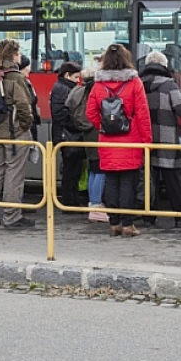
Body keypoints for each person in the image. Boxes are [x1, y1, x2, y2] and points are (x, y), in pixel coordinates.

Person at [86, 43, 152, 237]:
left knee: (111, 181)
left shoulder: (98, 84)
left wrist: (103, 126)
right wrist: (147, 141)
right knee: (128, 183)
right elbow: (142, 113)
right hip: (130, 139)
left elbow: (90, 112)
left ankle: (114, 223)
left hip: (107, 140)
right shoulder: (134, 83)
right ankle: (128, 224)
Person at [0, 39, 36, 229]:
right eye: (19, 54)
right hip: (15, 133)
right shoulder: (15, 77)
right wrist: (26, 126)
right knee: (14, 173)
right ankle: (11, 216)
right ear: (13, 55)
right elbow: (24, 106)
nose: (20, 57)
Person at [139, 50, 181, 228]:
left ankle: (149, 217)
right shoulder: (169, 84)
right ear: (164, 65)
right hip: (167, 138)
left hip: (145, 138)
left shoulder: (139, 84)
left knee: (150, 179)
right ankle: (179, 216)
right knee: (172, 179)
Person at [65, 66, 106, 222]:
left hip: (86, 133)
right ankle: (96, 205)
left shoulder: (77, 91)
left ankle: (92, 202)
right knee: (100, 170)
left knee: (93, 169)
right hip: (96, 132)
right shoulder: (93, 92)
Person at [48, 61, 83, 207]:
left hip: (67, 133)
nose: (77, 81)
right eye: (75, 77)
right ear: (67, 75)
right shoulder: (62, 89)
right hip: (67, 134)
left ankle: (72, 200)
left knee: (73, 169)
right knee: (71, 170)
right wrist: (76, 125)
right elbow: (60, 114)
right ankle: (69, 201)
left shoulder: (63, 87)